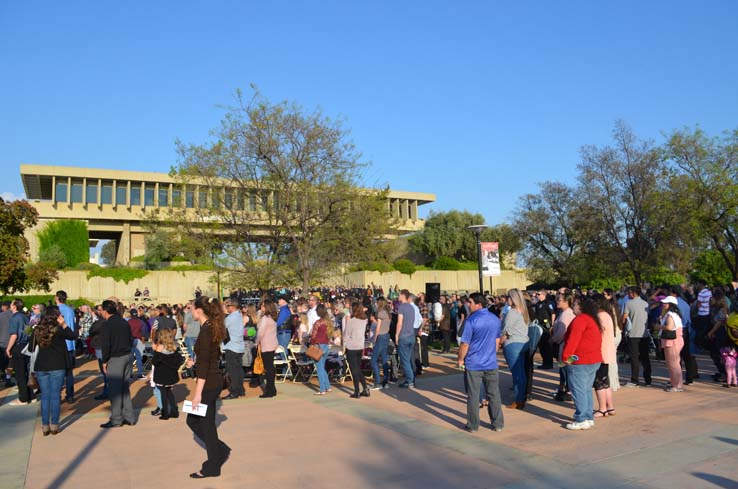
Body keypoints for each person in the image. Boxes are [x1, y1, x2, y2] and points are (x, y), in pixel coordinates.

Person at [185, 295, 231, 479]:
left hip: (208, 383)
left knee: (201, 423)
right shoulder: (211, 327)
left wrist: (197, 394)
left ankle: (214, 462)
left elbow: (205, 366)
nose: (189, 311)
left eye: (191, 308)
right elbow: (210, 358)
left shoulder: (207, 330)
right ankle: (219, 451)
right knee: (204, 423)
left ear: (199, 311)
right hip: (213, 380)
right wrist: (195, 364)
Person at [458, 292, 504, 433]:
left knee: (473, 395)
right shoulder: (495, 319)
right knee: (494, 394)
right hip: (490, 362)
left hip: (474, 363)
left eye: (470, 302)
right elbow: (497, 340)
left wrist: (460, 359)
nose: (468, 305)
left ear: (478, 304)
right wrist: (491, 354)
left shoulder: (471, 321)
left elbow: (465, 343)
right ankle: (498, 424)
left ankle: (473, 425)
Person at [34, 306, 78, 434]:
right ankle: (54, 424)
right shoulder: (59, 330)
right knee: (54, 396)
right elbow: (73, 336)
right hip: (57, 365)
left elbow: (31, 346)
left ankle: (45, 425)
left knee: (45, 396)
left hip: (42, 365)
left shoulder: (38, 329)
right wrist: (64, 324)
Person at [562, 297, 603, 430]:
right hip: (592, 359)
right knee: (585, 389)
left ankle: (581, 418)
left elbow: (572, 341)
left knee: (578, 390)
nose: (572, 307)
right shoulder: (592, 319)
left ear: (580, 306)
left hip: (580, 360)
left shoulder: (580, 320)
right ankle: (587, 417)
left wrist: (566, 358)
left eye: (574, 304)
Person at [99, 300, 136, 428]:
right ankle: (129, 416)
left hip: (116, 358)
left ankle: (116, 418)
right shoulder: (123, 322)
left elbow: (106, 345)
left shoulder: (107, 324)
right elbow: (131, 339)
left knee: (115, 390)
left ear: (105, 311)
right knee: (125, 388)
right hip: (127, 355)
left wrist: (104, 361)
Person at [501, 289, 530, 409]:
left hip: (513, 344)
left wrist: (499, 343)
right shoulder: (524, 311)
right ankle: (521, 397)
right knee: (521, 373)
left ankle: (518, 400)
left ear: (512, 299)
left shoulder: (512, 312)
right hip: (523, 343)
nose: (507, 299)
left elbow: (505, 330)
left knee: (517, 374)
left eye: (508, 297)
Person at [622, 287, 651, 387]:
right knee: (645, 357)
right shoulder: (646, 304)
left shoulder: (629, 303)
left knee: (634, 358)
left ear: (634, 293)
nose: (628, 294)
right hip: (644, 334)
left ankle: (635, 380)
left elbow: (624, 317)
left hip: (633, 334)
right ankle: (648, 380)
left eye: (629, 292)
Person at [152, 328, 183, 419]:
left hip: (162, 375)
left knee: (163, 394)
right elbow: (177, 360)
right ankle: (174, 412)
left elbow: (155, 361)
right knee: (169, 392)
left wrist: (155, 351)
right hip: (171, 375)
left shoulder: (160, 347)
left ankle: (165, 413)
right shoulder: (173, 347)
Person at [593, 296, 616, 417]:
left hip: (601, 352)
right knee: (605, 381)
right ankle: (610, 407)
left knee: (599, 382)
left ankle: (602, 408)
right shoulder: (607, 315)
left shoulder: (600, 317)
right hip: (607, 352)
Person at [7, 299, 32, 404]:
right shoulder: (25, 317)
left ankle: (23, 398)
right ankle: (30, 395)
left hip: (18, 345)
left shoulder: (14, 318)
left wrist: (8, 348)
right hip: (26, 345)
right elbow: (28, 331)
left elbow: (14, 335)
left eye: (12, 303)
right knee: (26, 371)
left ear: (14, 306)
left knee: (20, 373)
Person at [551, 291, 575, 401]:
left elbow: (562, 332)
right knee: (562, 368)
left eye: (559, 300)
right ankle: (563, 388)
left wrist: (553, 339)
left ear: (566, 301)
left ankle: (568, 391)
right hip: (562, 345)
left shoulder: (567, 314)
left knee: (566, 369)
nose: (557, 301)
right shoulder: (563, 312)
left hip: (564, 346)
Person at [658, 296, 685, 392]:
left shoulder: (671, 315)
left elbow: (669, 327)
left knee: (673, 363)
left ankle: (677, 385)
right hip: (673, 340)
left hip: (672, 341)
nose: (664, 304)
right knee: (673, 363)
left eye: (666, 303)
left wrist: (659, 326)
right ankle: (676, 383)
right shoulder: (673, 314)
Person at [344, 302, 369, 398]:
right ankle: (365, 388)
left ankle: (357, 391)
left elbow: (346, 335)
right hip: (360, 346)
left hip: (351, 346)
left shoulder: (351, 321)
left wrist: (344, 345)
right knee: (357, 368)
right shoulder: (364, 320)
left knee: (354, 369)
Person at [222, 300, 246, 400]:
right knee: (239, 370)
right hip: (239, 347)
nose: (226, 308)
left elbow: (221, 328)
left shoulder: (231, 317)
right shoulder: (239, 315)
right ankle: (240, 390)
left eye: (227, 306)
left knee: (233, 371)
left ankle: (234, 392)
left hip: (232, 347)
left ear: (231, 307)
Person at [56, 291, 76, 403]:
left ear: (57, 298)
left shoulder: (56, 310)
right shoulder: (70, 310)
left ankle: (57, 395)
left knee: (57, 372)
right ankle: (70, 395)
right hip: (70, 343)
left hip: (59, 344)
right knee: (69, 372)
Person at [256, 299, 278, 399]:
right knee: (270, 368)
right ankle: (272, 389)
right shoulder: (271, 317)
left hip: (266, 345)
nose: (261, 308)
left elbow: (260, 332)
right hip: (272, 344)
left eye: (263, 306)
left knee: (268, 369)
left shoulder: (265, 318)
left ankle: (269, 390)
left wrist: (256, 342)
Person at [395, 289, 417, 389]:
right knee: (407, 359)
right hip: (411, 335)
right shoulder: (412, 308)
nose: (398, 296)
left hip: (403, 336)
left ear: (403, 296)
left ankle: (410, 380)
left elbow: (399, 323)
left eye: (399, 295)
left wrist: (396, 335)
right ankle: (411, 379)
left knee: (405, 360)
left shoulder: (401, 307)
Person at [310, 304, 333, 395]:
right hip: (326, 346)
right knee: (322, 368)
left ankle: (322, 389)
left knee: (319, 368)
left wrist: (311, 344)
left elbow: (313, 335)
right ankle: (327, 386)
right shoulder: (328, 322)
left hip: (318, 346)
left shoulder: (318, 323)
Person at [88, 305, 109, 400]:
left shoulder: (101, 322)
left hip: (101, 347)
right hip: (102, 346)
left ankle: (107, 391)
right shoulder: (106, 321)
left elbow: (91, 331)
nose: (99, 312)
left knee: (105, 371)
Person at [370, 298, 391, 390]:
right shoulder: (388, 313)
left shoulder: (380, 313)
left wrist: (374, 338)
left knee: (373, 359)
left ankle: (378, 382)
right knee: (384, 359)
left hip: (381, 337)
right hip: (386, 336)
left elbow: (378, 328)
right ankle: (385, 382)